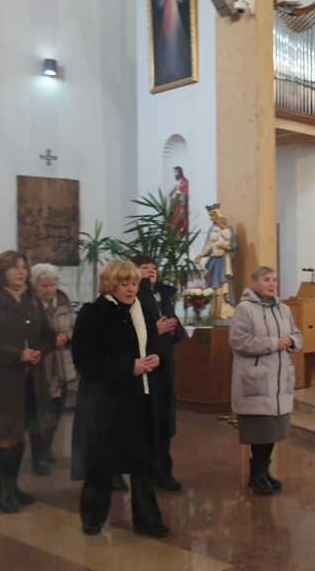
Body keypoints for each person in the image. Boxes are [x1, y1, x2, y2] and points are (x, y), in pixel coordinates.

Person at [70, 259, 169, 537]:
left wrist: (156, 357)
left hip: (140, 397)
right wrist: (128, 367)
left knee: (143, 461)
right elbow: (84, 360)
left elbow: (154, 345)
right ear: (110, 285)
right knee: (101, 461)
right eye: (124, 284)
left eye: (134, 283)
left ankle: (147, 518)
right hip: (105, 401)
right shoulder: (93, 313)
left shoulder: (143, 310)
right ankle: (92, 517)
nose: (131, 289)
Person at [0, 251, 56, 513]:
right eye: (15, 267)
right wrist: (18, 355)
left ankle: (14, 486)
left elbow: (47, 335)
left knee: (20, 430)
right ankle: (5, 491)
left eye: (24, 267)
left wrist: (38, 351)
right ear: (1, 272)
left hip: (28, 378)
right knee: (7, 433)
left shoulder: (31, 298)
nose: (22, 271)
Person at [229, 266, 302, 495]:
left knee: (273, 430)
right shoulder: (244, 309)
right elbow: (238, 341)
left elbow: (297, 334)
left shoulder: (284, 309)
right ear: (254, 283)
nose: (272, 284)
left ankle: (264, 471)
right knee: (260, 430)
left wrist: (291, 341)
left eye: (274, 280)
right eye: (266, 280)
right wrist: (273, 343)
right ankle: (256, 474)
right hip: (257, 378)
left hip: (279, 379)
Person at [131, 254, 186, 491]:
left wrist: (172, 330)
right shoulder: (132, 297)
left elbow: (177, 332)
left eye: (153, 267)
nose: (151, 271)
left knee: (164, 423)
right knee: (147, 424)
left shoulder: (162, 295)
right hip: (144, 368)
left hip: (165, 367)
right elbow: (128, 334)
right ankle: (146, 474)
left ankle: (164, 472)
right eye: (144, 268)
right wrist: (156, 329)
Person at [27, 263, 77, 476]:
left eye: (52, 285)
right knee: (40, 415)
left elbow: (75, 327)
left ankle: (46, 449)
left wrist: (66, 337)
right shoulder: (29, 305)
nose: (48, 289)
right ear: (35, 286)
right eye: (44, 285)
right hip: (41, 367)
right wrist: (48, 341)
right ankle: (38, 455)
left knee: (57, 412)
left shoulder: (63, 302)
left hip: (62, 364)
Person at [195, 203, 236, 320]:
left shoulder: (228, 229)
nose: (210, 218)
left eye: (212, 215)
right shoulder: (211, 229)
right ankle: (215, 311)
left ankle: (225, 310)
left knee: (223, 285)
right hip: (214, 259)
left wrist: (224, 246)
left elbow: (232, 245)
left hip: (223, 260)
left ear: (218, 214)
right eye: (209, 215)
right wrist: (200, 255)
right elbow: (208, 245)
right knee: (214, 286)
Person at [170, 166, 189, 237]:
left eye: (176, 172)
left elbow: (185, 194)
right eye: (174, 172)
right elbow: (171, 194)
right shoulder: (177, 183)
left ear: (180, 172)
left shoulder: (185, 181)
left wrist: (182, 208)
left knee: (180, 222)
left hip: (180, 206)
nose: (174, 174)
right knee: (174, 223)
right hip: (175, 205)